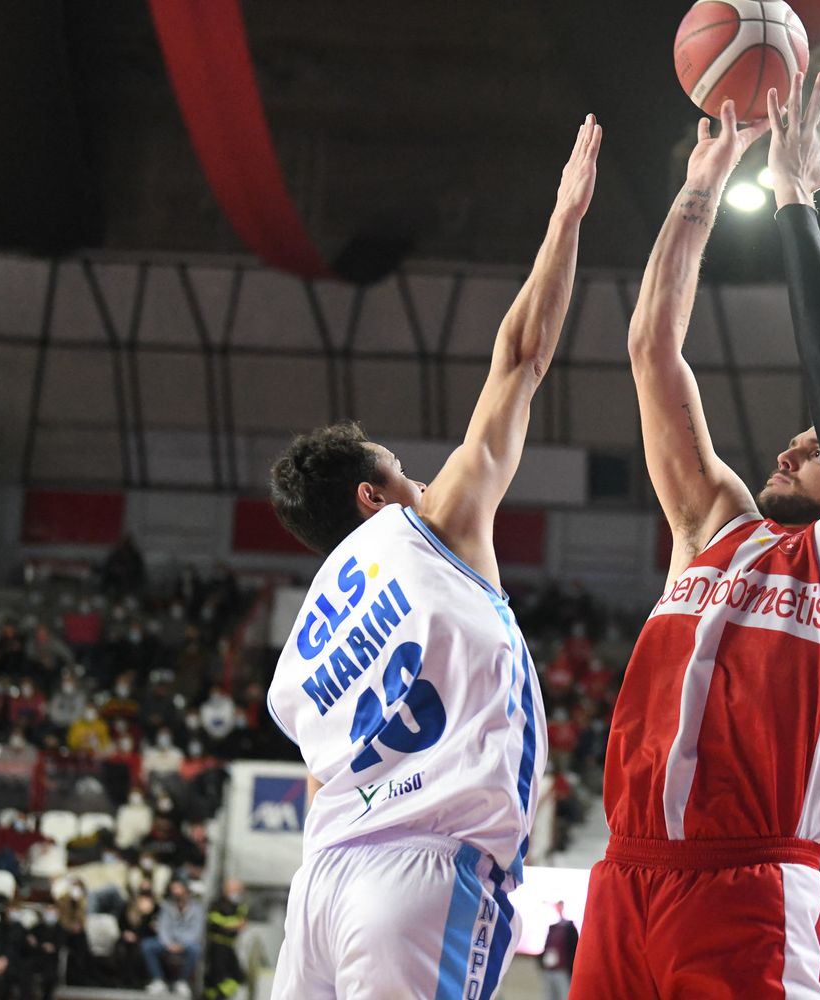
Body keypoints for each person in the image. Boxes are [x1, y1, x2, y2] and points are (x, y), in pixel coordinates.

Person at [569, 73, 820, 998]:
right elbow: (652, 348)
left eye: (817, 449)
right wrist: (706, 186)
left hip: (751, 881)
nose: (794, 441)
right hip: (625, 874)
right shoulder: (713, 525)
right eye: (796, 439)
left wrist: (792, 197)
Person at [263, 114, 601, 1000]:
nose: (422, 478)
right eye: (401, 471)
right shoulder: (430, 527)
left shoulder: (313, 625)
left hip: (322, 884)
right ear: (372, 498)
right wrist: (565, 221)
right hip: (423, 868)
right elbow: (521, 360)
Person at [143, 879, 204, 996]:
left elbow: (196, 931)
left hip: (186, 943)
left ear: (186, 891)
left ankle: (182, 982)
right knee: (147, 945)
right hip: (168, 943)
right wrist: (168, 944)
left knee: (195, 949)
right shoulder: (167, 906)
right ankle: (158, 980)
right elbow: (163, 928)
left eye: (178, 889)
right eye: (173, 889)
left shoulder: (197, 909)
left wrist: (182, 944)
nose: (176, 892)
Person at [203, 878, 247, 1000]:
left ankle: (221, 995)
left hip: (230, 945)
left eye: (239, 890)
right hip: (217, 945)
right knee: (216, 976)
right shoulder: (216, 904)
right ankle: (213, 995)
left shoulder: (239, 906)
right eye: (234, 890)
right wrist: (232, 924)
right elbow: (215, 921)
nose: (237, 893)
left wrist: (232, 924)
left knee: (239, 977)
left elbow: (242, 921)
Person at [537, 901, 578, 1000]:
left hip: (562, 970)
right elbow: (546, 947)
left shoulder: (570, 928)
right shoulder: (552, 928)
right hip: (549, 969)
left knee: (564, 995)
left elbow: (573, 949)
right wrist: (541, 964)